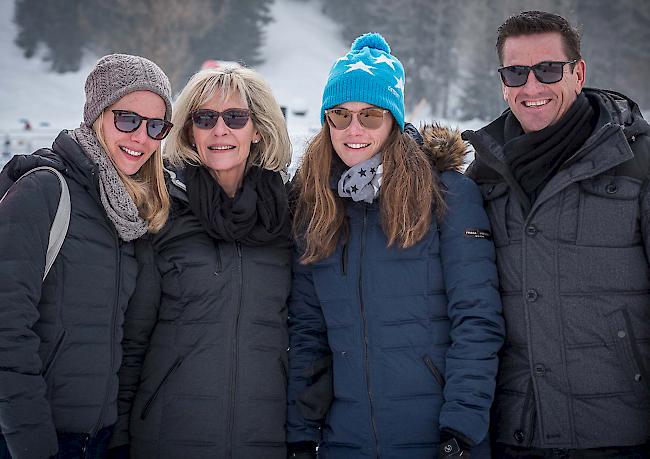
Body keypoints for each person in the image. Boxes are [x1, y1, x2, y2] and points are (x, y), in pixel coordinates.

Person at [287, 32, 505, 459]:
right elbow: (308, 335)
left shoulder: (447, 196)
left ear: (393, 120)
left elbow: (476, 320)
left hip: (439, 440)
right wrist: (300, 434)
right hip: (344, 442)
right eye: (340, 115)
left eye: (370, 116)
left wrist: (462, 428)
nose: (354, 129)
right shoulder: (315, 205)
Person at [463, 10, 650, 458]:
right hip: (518, 432)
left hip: (620, 432)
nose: (532, 87)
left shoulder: (636, 161)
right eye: (516, 72)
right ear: (502, 80)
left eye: (548, 69)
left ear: (577, 72)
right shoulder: (484, 175)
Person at [110, 66, 292, 458]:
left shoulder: (288, 219)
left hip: (265, 439)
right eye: (205, 118)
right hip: (167, 437)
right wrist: (118, 438)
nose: (220, 130)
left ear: (257, 129)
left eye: (235, 118)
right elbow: (131, 338)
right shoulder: (161, 212)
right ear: (190, 130)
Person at [0, 54, 172, 459]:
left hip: (98, 439)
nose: (141, 137)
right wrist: (33, 444)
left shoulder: (130, 212)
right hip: (29, 440)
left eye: (155, 126)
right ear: (96, 114)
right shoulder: (43, 191)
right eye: (127, 119)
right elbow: (6, 329)